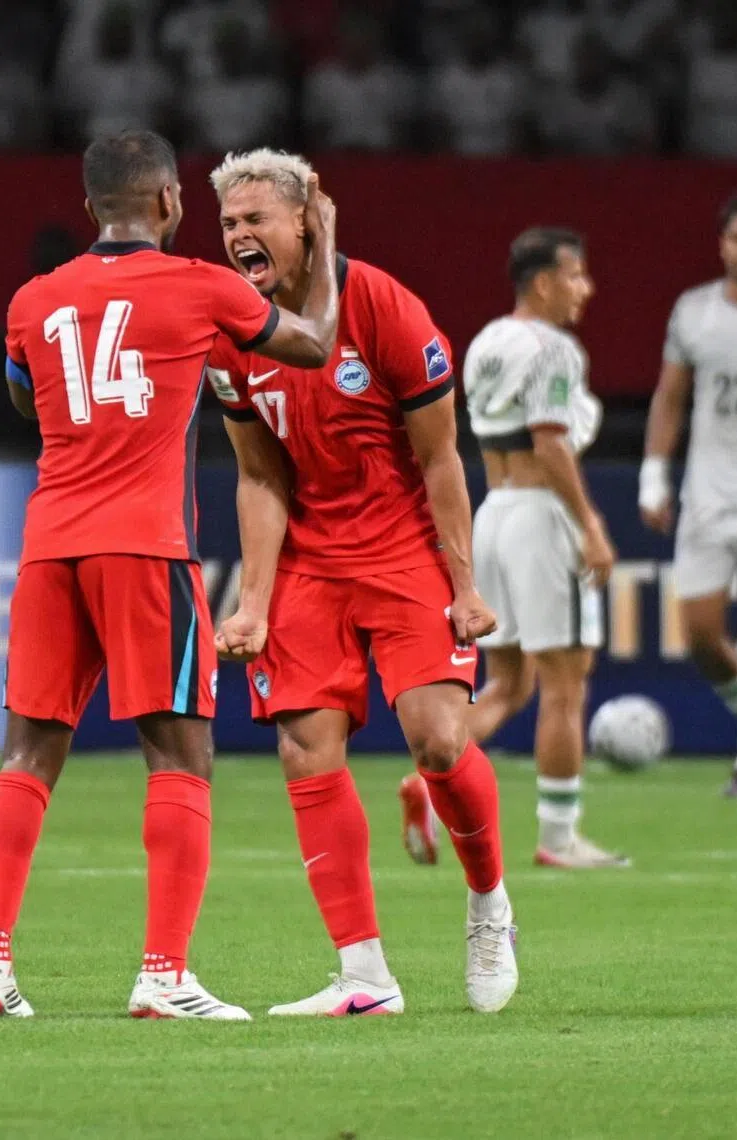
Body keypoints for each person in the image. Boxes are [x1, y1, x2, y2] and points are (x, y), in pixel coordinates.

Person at [0, 130, 339, 1019]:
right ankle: (165, 975)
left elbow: (27, 396)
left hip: (50, 545)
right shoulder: (204, 287)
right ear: (170, 203)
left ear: (92, 205)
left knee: (28, 752)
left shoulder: (34, 298)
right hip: (146, 546)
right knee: (180, 752)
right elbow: (315, 345)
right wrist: (319, 240)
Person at [207, 148, 515, 1017]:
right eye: (228, 224)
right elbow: (260, 477)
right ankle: (364, 974)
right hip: (310, 559)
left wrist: (465, 584)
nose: (239, 238)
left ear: (306, 219)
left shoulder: (383, 304)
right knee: (305, 745)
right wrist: (256, 601)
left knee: (440, 743)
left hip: (403, 547)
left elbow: (441, 455)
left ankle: (490, 901)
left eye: (255, 219)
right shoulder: (230, 332)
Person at [444, 227, 626, 868]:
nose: (586, 289)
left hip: (493, 511)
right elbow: (550, 441)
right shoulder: (555, 347)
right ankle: (558, 838)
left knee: (507, 685)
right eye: (576, 276)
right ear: (544, 281)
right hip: (542, 519)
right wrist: (591, 526)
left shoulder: (487, 341)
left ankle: (428, 779)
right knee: (564, 684)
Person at [640, 190, 737, 797]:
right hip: (709, 493)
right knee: (702, 634)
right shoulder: (694, 312)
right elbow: (671, 396)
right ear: (722, 244)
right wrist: (654, 474)